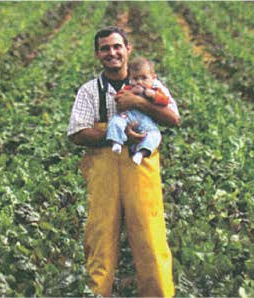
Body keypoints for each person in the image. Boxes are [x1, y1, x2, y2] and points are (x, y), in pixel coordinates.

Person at [67, 26, 180, 297]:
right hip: (104, 172)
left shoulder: (149, 83)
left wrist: (138, 104)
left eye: (117, 46)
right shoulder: (89, 91)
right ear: (97, 54)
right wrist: (115, 133)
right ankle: (96, 293)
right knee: (100, 240)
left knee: (150, 239)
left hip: (140, 172)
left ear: (128, 49)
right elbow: (78, 133)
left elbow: (173, 118)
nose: (112, 53)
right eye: (105, 48)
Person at [106, 57, 171, 165]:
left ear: (153, 78)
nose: (139, 82)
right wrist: (130, 94)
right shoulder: (128, 88)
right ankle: (116, 142)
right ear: (130, 78)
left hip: (147, 122)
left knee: (155, 135)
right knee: (116, 121)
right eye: (135, 79)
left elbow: (165, 101)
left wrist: (153, 96)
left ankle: (140, 153)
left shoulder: (156, 90)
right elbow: (118, 99)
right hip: (129, 117)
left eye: (144, 78)